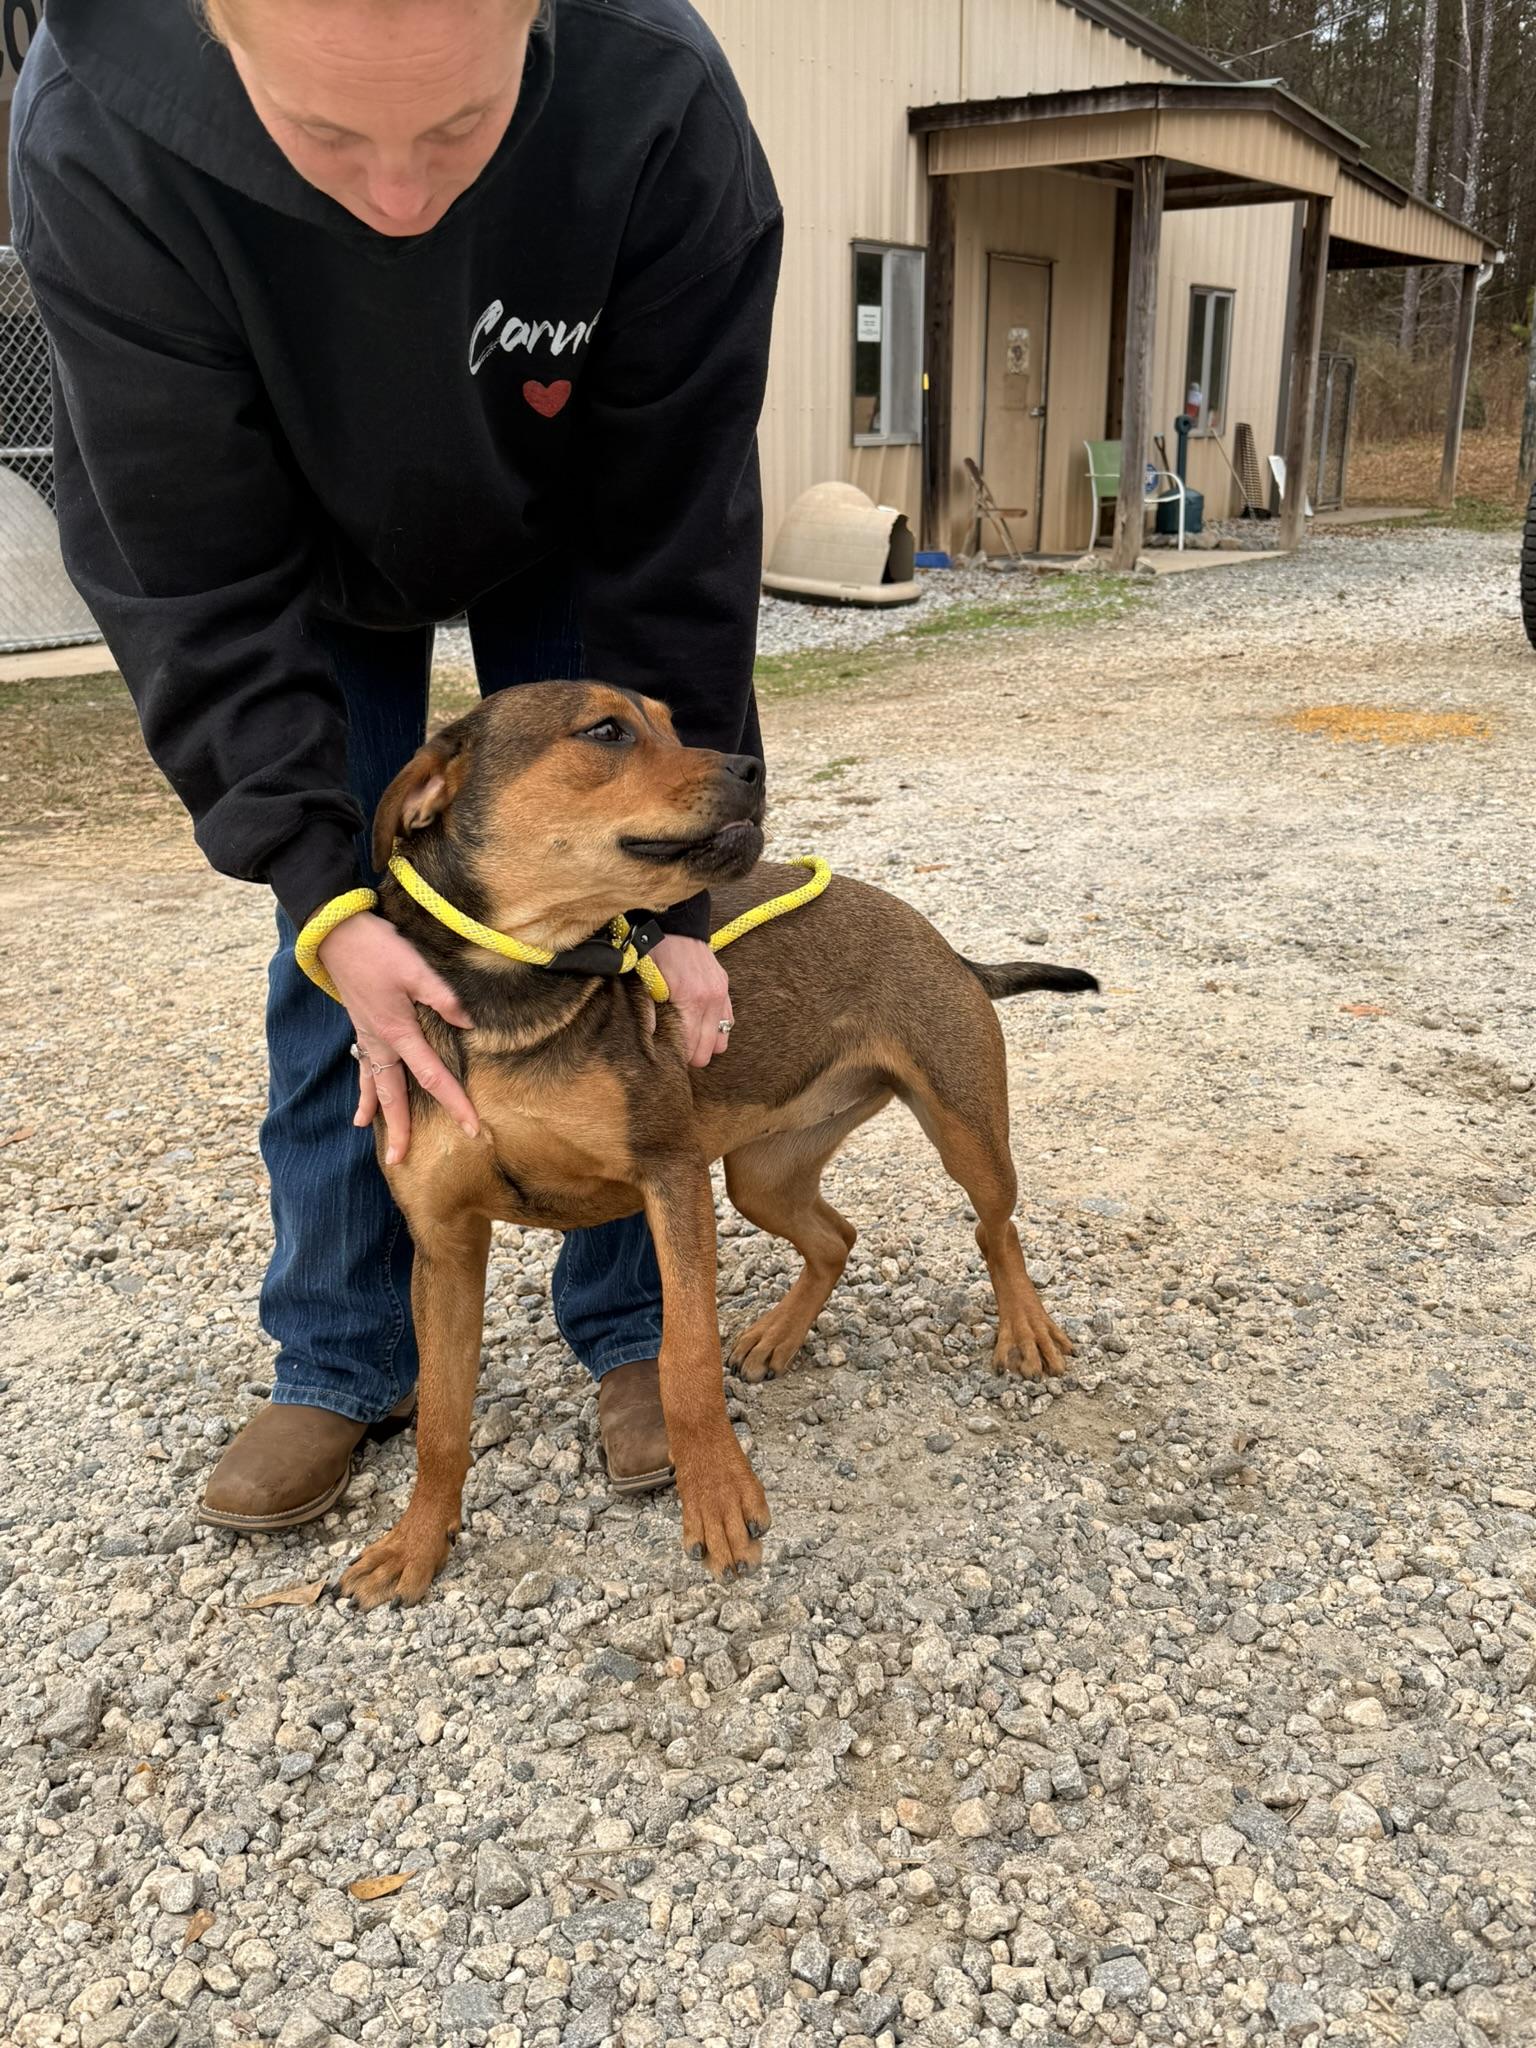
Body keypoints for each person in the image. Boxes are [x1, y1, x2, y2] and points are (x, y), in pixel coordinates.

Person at [12, 0, 781, 1528]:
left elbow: (678, 536)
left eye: (454, 130)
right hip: (287, 544)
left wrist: (684, 899)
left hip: (572, 520)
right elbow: (186, 562)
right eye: (323, 138)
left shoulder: (657, 104)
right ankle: (341, 1353)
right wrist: (320, 884)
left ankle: (630, 1327)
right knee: (349, 957)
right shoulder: (98, 134)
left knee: (604, 925)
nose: (400, 202)